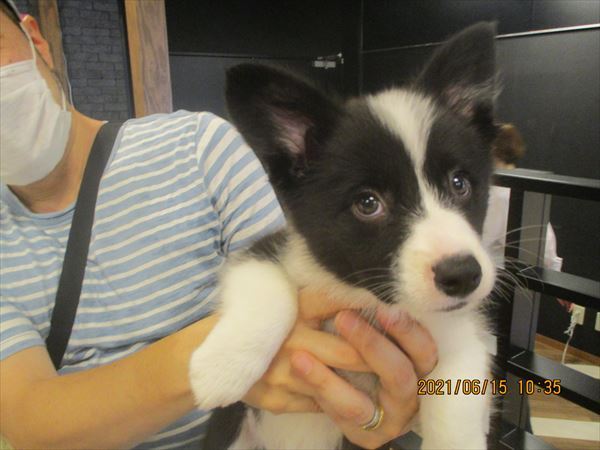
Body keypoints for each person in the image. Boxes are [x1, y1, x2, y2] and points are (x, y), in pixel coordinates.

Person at [0, 1, 438, 448]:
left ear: (35, 39)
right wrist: (227, 355)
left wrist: (409, 403)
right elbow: (30, 422)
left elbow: (307, 298)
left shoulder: (197, 148)